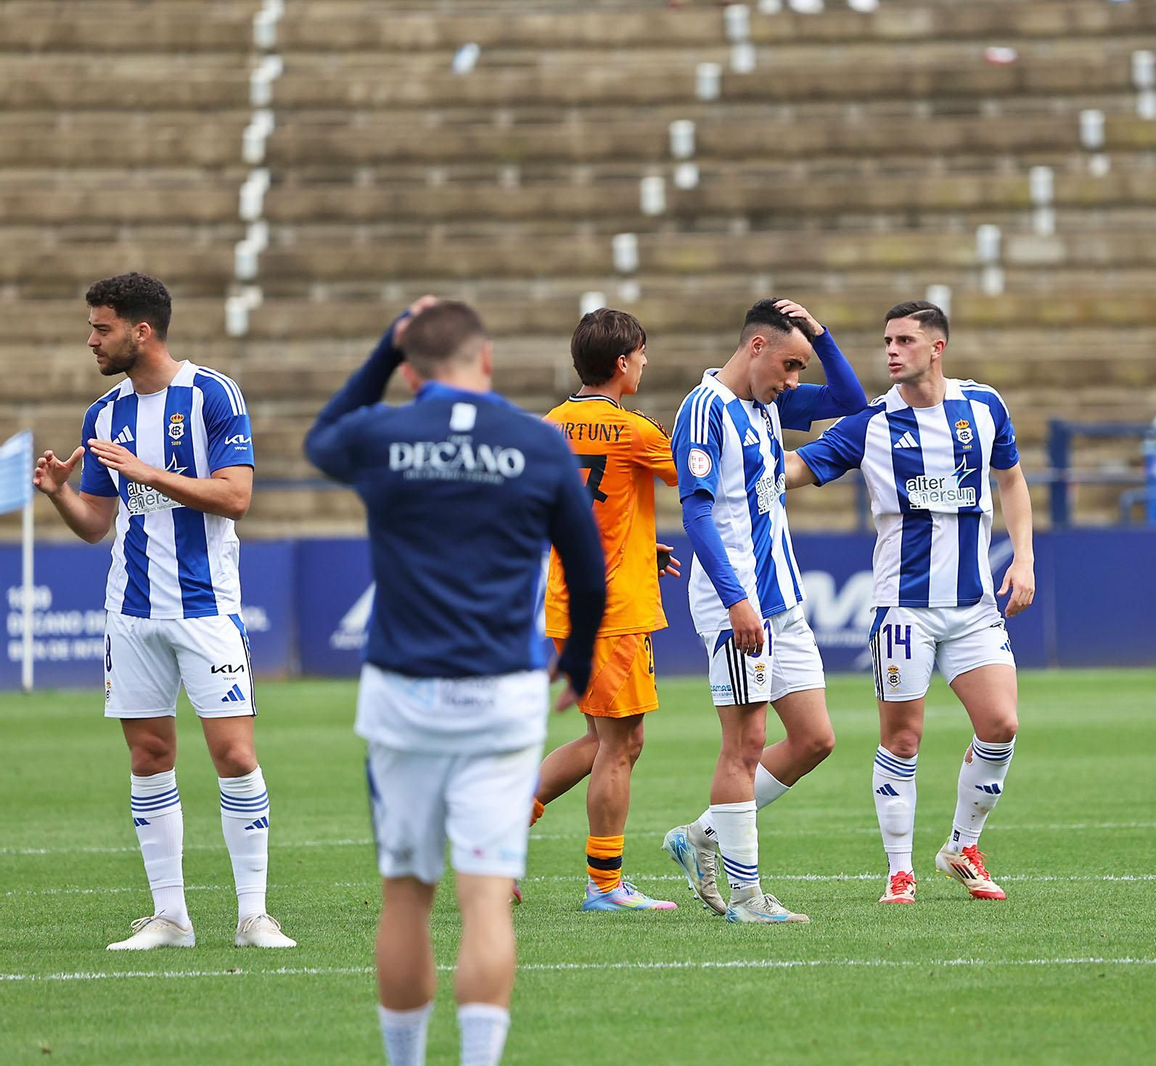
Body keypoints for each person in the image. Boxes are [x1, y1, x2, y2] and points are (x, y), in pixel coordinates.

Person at [304, 298, 605, 1066]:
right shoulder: (537, 441)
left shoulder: (385, 432)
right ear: (488, 359)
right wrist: (576, 663)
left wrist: (385, 347)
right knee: (484, 898)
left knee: (407, 895)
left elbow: (321, 437)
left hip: (403, 695)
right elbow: (587, 569)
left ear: (411, 371)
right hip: (503, 696)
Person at [32, 273, 293, 951]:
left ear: (140, 330)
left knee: (235, 754)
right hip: (131, 611)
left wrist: (149, 473)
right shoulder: (102, 414)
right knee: (149, 755)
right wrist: (61, 494)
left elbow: (236, 498)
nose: (92, 340)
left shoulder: (212, 394)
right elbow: (98, 522)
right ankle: (170, 917)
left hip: (207, 607)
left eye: (102, 328)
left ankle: (254, 915)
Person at [786, 300, 1035, 905]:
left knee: (1001, 725)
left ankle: (962, 846)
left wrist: (1024, 558)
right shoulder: (871, 423)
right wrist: (737, 452)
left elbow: (1011, 478)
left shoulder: (984, 405)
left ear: (936, 347)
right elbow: (797, 469)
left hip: (973, 605)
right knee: (902, 739)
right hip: (903, 609)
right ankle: (899, 871)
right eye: (887, 341)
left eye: (904, 340)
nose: (892, 351)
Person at [661, 298, 868, 923]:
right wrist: (735, 600)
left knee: (813, 739)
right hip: (739, 600)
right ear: (756, 347)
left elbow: (851, 402)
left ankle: (700, 836)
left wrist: (820, 336)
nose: (794, 380)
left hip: (782, 595)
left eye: (801, 367)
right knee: (746, 742)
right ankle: (747, 898)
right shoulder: (705, 409)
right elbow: (696, 513)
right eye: (789, 365)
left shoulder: (765, 403)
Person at [527, 308, 681, 913]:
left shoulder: (548, 427)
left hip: (568, 601)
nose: (644, 363)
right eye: (641, 354)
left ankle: (500, 827)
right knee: (621, 744)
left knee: (602, 738)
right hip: (614, 608)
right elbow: (693, 479)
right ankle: (606, 884)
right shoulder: (636, 431)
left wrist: (639, 545)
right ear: (621, 362)